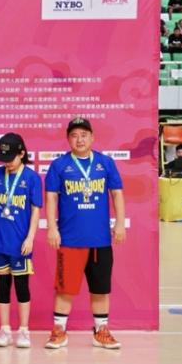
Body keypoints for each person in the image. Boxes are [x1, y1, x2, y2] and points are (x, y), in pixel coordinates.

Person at [44, 117, 126, 350]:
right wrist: (52, 227)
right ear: (68, 139)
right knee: (65, 288)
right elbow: (51, 197)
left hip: (100, 240)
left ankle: (101, 331)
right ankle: (59, 331)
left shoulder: (105, 163)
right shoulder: (59, 165)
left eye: (83, 135)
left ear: (92, 137)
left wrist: (120, 224)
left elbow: (117, 193)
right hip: (70, 239)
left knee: (100, 288)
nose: (79, 139)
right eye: (74, 135)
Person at [0, 133, 41, 349]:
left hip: (20, 242)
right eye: (4, 158)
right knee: (2, 285)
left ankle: (24, 331)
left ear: (22, 153)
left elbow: (35, 210)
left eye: (10, 158)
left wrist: (30, 237)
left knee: (21, 285)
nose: (7, 163)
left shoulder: (32, 178)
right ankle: (5, 330)